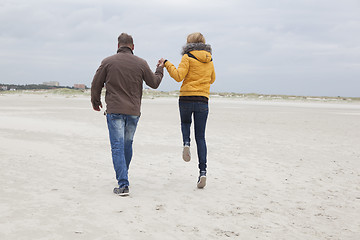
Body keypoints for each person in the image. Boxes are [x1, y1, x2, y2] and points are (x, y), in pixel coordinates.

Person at [91, 33, 164, 196]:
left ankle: (123, 183)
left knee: (117, 146)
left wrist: (95, 102)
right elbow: (154, 83)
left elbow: (96, 84)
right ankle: (123, 175)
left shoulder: (108, 62)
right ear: (132, 46)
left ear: (118, 46)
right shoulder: (141, 63)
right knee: (127, 144)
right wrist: (160, 68)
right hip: (133, 111)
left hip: (115, 109)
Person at [159, 32, 215, 188]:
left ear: (189, 43)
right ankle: (203, 172)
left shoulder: (187, 57)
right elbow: (212, 79)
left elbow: (178, 76)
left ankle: (186, 143)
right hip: (203, 100)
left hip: (186, 97)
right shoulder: (209, 59)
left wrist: (167, 63)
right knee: (201, 137)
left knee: (185, 123)